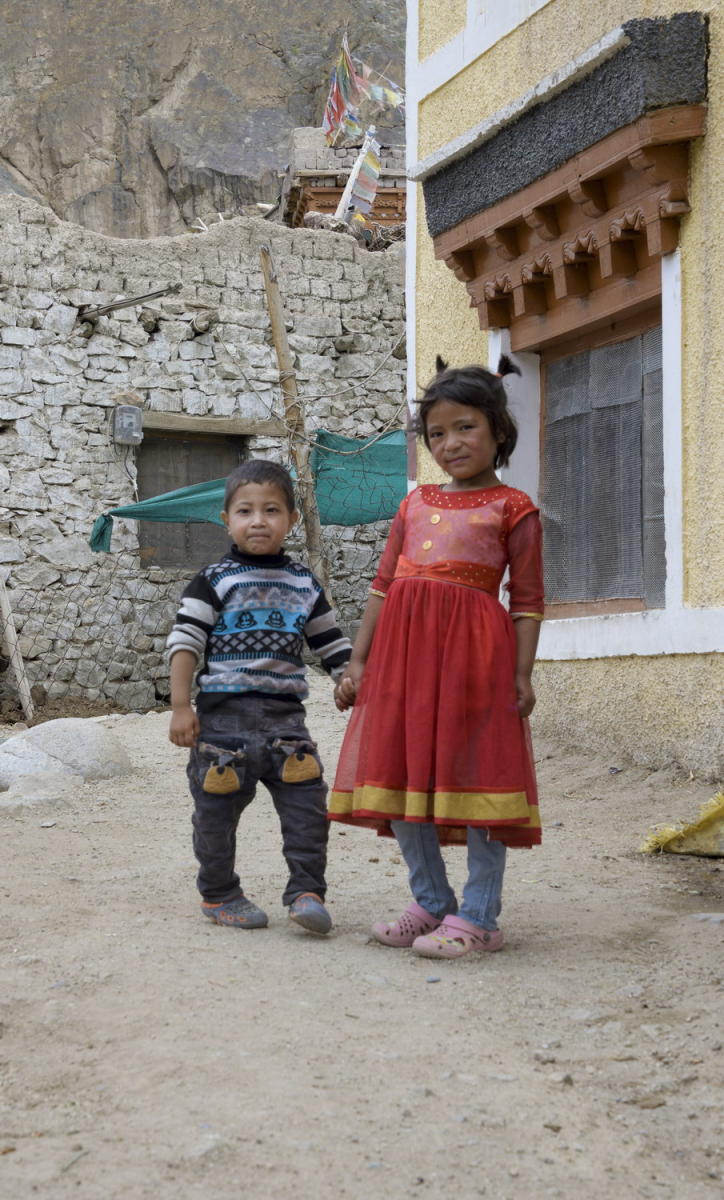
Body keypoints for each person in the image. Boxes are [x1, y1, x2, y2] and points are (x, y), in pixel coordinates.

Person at [330, 356, 544, 959]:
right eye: (437, 433)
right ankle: (430, 901)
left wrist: (521, 674)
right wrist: (358, 663)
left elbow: (527, 601)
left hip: (477, 661)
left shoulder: (514, 509)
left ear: (498, 429)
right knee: (401, 772)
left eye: (466, 427)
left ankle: (480, 917)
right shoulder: (412, 504)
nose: (451, 443)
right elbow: (380, 587)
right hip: (402, 660)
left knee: (478, 778)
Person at [167, 459, 351, 936]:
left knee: (308, 808)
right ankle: (219, 893)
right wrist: (181, 707)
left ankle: (307, 893)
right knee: (214, 815)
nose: (258, 520)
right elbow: (185, 643)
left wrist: (346, 677)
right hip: (221, 724)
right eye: (245, 510)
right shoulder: (213, 580)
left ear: (290, 518)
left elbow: (330, 642)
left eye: (271, 510)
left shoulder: (304, 583)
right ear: (226, 519)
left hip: (286, 724)